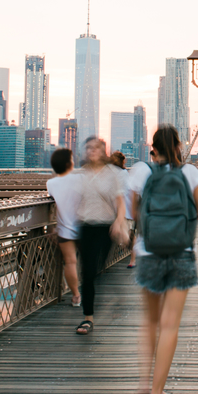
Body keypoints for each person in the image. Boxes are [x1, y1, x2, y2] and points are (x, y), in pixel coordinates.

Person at [129, 126, 198, 394]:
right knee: (169, 325)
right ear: (177, 145)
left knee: (150, 321)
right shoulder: (189, 173)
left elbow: (134, 212)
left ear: (153, 148)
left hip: (148, 253)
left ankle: (143, 382)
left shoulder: (141, 171)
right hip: (181, 254)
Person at [75, 137, 130, 335]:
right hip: (84, 226)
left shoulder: (112, 175)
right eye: (88, 148)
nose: (91, 151)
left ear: (103, 151)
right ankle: (87, 318)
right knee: (87, 272)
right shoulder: (80, 174)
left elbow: (120, 202)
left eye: (96, 148)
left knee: (95, 268)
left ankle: (92, 300)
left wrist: (118, 221)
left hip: (105, 228)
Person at [46, 148, 83, 307]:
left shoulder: (50, 183)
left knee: (70, 262)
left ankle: (76, 296)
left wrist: (51, 227)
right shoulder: (80, 178)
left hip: (64, 228)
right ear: (69, 163)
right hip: (85, 226)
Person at [110, 152, 138, 269]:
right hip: (121, 209)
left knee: (128, 235)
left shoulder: (121, 174)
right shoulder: (121, 173)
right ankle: (124, 252)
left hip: (123, 209)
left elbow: (125, 191)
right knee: (125, 233)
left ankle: (131, 257)